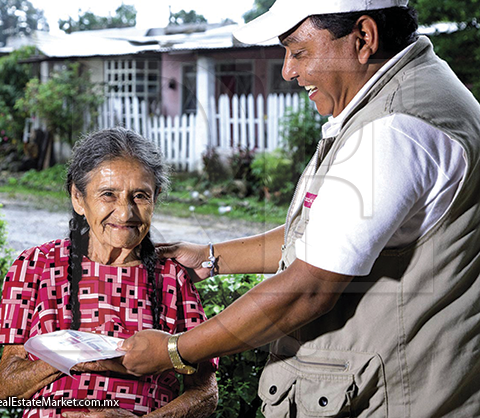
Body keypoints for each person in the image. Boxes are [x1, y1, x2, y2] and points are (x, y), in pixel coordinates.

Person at [113, 1, 480, 417]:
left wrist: (175, 349)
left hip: (399, 398)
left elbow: (308, 289)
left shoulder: (392, 129)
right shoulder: (419, 90)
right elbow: (328, 234)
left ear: (363, 38)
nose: (288, 70)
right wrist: (212, 257)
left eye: (299, 51)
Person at [0, 127, 218, 418]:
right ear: (78, 197)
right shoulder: (35, 265)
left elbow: (205, 392)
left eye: (140, 195)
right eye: (108, 195)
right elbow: (6, 391)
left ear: (156, 197)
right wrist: (81, 355)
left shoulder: (172, 279)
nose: (125, 213)